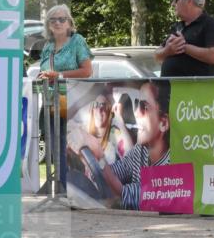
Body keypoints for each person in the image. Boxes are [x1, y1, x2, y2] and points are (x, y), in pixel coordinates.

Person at [70, 80, 171, 211]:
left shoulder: (170, 165)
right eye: (136, 104)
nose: (136, 112)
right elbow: (116, 172)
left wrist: (99, 157)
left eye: (144, 107)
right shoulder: (141, 150)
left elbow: (124, 195)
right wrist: (90, 158)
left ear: (163, 123)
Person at [37, 4, 93, 188]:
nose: (58, 23)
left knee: (67, 145)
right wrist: (43, 76)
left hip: (72, 101)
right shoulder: (47, 46)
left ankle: (70, 186)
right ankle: (59, 184)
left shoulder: (77, 41)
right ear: (48, 25)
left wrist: (59, 76)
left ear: (70, 23)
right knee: (54, 145)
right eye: (53, 20)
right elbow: (45, 70)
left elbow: (87, 71)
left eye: (62, 19)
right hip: (50, 102)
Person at [156, 0, 214, 77]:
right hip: (170, 89)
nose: (172, 4)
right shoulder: (177, 26)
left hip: (196, 89)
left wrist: (184, 47)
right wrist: (168, 50)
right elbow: (157, 56)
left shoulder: (209, 23)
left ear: (189, 0)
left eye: (176, 0)